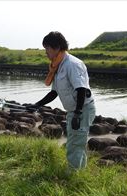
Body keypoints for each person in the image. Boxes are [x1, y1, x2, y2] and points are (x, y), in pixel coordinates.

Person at [29, 32, 96, 170]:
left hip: (82, 109)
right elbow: (54, 92)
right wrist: (36, 105)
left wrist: (77, 113)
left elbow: (81, 90)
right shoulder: (58, 65)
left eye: (47, 48)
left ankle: (72, 175)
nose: (45, 52)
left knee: (75, 144)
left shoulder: (72, 64)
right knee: (76, 142)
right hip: (74, 110)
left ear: (57, 47)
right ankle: (78, 173)